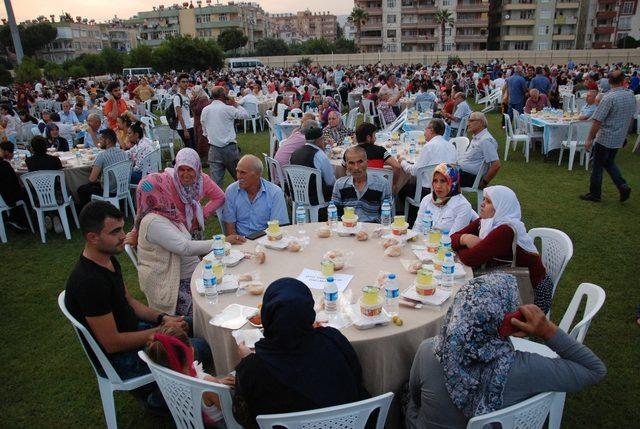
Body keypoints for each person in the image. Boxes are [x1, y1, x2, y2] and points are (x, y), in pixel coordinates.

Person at [405, 273, 606, 429]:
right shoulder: (524, 369)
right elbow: (594, 370)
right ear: (508, 320)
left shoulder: (428, 351)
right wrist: (547, 330)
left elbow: (414, 400)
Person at [64, 201, 211, 408]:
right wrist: (162, 331)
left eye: (122, 228)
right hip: (120, 360)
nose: (123, 235)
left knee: (195, 323)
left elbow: (130, 302)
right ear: (93, 237)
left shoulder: (106, 259)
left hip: (134, 330)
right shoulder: (89, 282)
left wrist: (164, 318)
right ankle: (156, 399)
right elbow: (112, 343)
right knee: (200, 346)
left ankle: (172, 383)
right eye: (115, 231)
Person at [233, 278, 369, 429]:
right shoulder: (333, 340)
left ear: (267, 316)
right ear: (309, 313)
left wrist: (247, 361)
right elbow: (358, 384)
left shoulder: (254, 368)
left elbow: (242, 417)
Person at [451, 185, 553, 312]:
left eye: (488, 202)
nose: (482, 204)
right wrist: (465, 239)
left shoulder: (506, 229)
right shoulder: (485, 222)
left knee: (468, 305)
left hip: (529, 293)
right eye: (484, 199)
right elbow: (453, 238)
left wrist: (463, 246)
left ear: (500, 207)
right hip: (504, 280)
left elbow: (471, 259)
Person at [135, 173, 219, 317]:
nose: (173, 191)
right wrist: (220, 242)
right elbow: (184, 247)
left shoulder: (168, 213)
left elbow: (186, 243)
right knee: (214, 307)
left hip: (192, 275)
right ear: (162, 191)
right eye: (169, 187)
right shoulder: (153, 221)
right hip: (174, 285)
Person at [146, 326, 234, 427]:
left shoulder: (168, 379)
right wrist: (215, 384)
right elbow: (232, 413)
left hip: (196, 418)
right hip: (223, 423)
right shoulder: (208, 383)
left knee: (225, 378)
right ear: (189, 350)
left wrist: (218, 384)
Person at [580, 70, 634, 203]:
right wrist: (625, 134)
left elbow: (597, 120)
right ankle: (622, 185)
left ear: (609, 82)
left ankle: (595, 193)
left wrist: (589, 138)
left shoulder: (609, 98)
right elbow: (630, 118)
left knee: (597, 165)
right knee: (609, 162)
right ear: (623, 81)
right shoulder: (630, 96)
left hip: (605, 136)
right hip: (619, 136)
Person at [222, 155, 288, 245]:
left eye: (243, 173)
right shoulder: (231, 191)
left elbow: (278, 228)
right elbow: (230, 229)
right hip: (240, 243)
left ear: (257, 174)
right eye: (237, 171)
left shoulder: (275, 193)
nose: (238, 176)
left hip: (267, 242)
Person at [200, 86, 250, 188]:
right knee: (241, 179)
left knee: (216, 185)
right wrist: (235, 104)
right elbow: (245, 115)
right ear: (224, 95)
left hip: (213, 148)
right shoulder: (228, 109)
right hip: (228, 148)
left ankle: (219, 203)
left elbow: (204, 131)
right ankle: (248, 199)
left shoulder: (205, 110)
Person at [331, 146, 392, 223]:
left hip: (373, 230)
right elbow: (335, 215)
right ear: (346, 165)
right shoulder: (340, 185)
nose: (356, 167)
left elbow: (386, 216)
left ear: (367, 162)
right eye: (351, 163)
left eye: (360, 162)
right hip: (348, 229)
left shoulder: (382, 184)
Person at [414, 163, 477, 235]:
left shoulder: (462, 206)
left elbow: (452, 239)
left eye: (443, 181)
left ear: (453, 183)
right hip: (423, 243)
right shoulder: (427, 200)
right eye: (435, 181)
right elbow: (417, 228)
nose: (438, 186)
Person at [77, 128, 129, 208]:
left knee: (82, 189)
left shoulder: (102, 156)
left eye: (101, 139)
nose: (99, 142)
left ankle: (89, 213)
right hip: (123, 188)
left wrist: (100, 179)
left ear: (107, 141)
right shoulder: (124, 153)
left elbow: (92, 179)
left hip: (108, 192)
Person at [399, 119, 457, 190]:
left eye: (425, 129)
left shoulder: (429, 146)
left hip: (429, 190)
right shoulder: (451, 146)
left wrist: (402, 162)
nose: (424, 132)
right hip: (448, 189)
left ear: (431, 130)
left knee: (402, 188)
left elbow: (415, 171)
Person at [290, 121, 336, 205]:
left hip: (297, 196)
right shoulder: (319, 155)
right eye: (323, 139)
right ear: (318, 141)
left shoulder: (295, 153)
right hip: (317, 198)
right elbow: (330, 181)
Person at [458, 112, 500, 188]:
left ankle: (438, 199)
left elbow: (496, 165)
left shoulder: (486, 140)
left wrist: (483, 183)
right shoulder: (478, 137)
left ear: (480, 122)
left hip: (468, 177)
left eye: (471, 121)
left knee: (440, 177)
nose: (468, 124)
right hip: (462, 173)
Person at [0, 141, 29, 231]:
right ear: (7, 152)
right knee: (29, 193)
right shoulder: (4, 165)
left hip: (3, 195)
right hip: (8, 196)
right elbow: (14, 183)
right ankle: (20, 219)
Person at [190, 85, 212, 159]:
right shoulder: (201, 99)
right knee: (200, 137)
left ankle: (204, 155)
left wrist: (192, 102)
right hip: (199, 121)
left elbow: (197, 110)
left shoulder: (202, 99)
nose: (192, 94)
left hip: (201, 121)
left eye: (193, 92)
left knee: (202, 138)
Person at [174, 73, 195, 150]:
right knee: (190, 149)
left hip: (190, 125)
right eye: (183, 82)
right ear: (179, 83)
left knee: (194, 148)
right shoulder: (177, 97)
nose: (186, 84)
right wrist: (185, 130)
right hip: (183, 127)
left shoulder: (188, 95)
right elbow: (179, 115)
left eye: (187, 82)